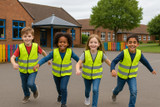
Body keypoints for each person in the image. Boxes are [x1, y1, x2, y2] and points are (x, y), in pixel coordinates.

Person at [33, 32, 79, 107]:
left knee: (63, 87)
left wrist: (80, 64)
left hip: (66, 74)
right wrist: (38, 64)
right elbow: (45, 58)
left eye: (64, 42)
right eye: (60, 42)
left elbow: (78, 59)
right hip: (56, 74)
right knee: (58, 88)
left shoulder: (70, 52)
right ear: (57, 43)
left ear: (68, 44)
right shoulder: (54, 52)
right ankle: (60, 95)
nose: (62, 44)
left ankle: (63, 103)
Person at [111, 34, 156, 107]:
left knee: (134, 92)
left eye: (134, 42)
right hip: (122, 76)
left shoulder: (139, 53)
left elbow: (145, 62)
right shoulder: (124, 53)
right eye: (130, 42)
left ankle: (131, 105)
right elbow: (114, 62)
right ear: (127, 44)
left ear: (137, 44)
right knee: (119, 89)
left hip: (132, 76)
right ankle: (114, 93)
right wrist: (112, 69)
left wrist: (151, 70)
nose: (132, 44)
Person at [11, 27, 50, 104]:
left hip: (33, 70)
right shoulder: (20, 47)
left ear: (33, 37)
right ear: (22, 37)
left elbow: (43, 52)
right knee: (24, 85)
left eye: (29, 36)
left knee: (30, 83)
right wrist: (14, 63)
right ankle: (27, 96)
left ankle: (34, 90)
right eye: (25, 36)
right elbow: (13, 57)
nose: (27, 38)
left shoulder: (35, 46)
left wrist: (48, 59)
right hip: (22, 71)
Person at [76, 34, 111, 107]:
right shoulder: (85, 53)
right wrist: (78, 70)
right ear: (88, 44)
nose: (93, 44)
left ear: (98, 44)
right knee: (87, 90)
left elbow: (109, 62)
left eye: (95, 42)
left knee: (95, 90)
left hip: (97, 76)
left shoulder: (101, 54)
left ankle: (94, 105)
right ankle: (87, 97)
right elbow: (78, 63)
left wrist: (113, 69)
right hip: (86, 76)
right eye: (91, 42)